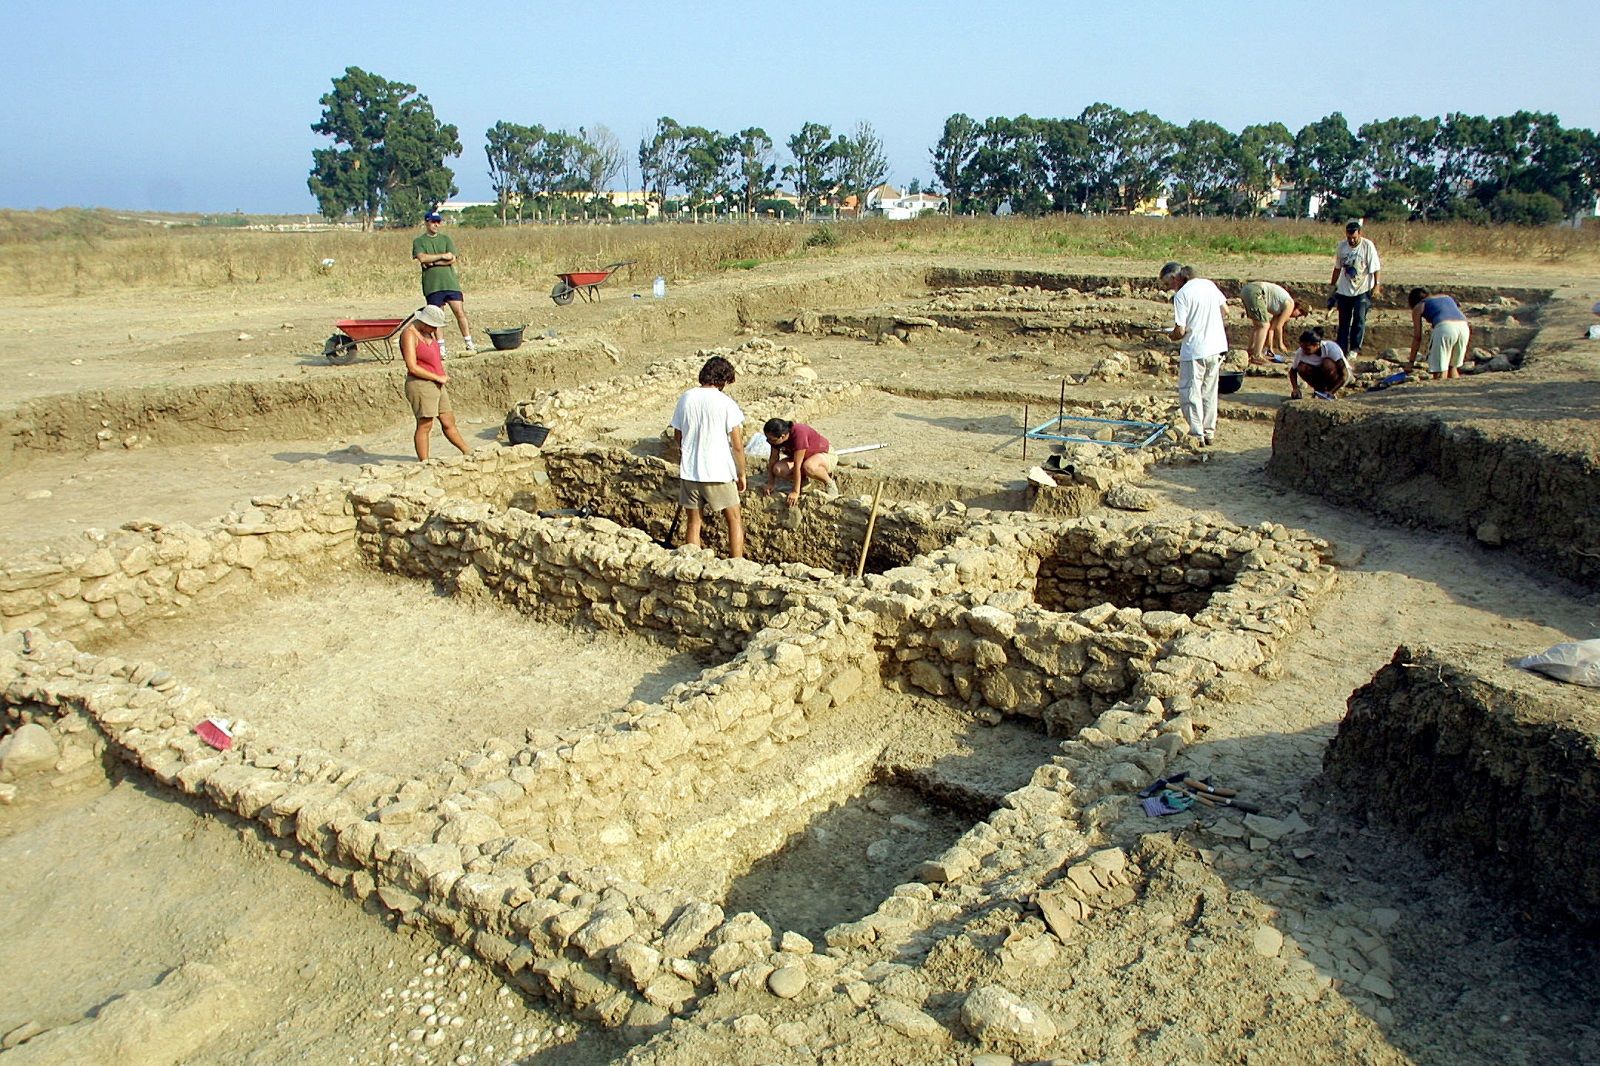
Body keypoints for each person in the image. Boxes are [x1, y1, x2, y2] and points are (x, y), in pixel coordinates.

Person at [670, 356, 748, 557]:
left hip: (690, 471)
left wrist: (685, 453)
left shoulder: (686, 398)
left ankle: (692, 565)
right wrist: (741, 473)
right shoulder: (726, 403)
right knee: (734, 519)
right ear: (723, 380)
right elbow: (737, 446)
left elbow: (677, 435)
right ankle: (737, 564)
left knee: (694, 521)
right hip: (718, 471)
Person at [1159, 262, 1229, 447]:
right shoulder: (1209, 285)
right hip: (1216, 346)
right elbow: (1225, 310)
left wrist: (1170, 335)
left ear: (1176, 278)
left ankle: (1197, 433)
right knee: (1209, 392)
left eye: (1168, 284)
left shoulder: (1182, 295)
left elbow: (1180, 331)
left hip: (1195, 349)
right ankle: (1209, 432)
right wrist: (1209, 323)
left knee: (1190, 392)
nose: (1169, 288)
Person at [401, 305, 471, 461]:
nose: (435, 330)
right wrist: (437, 377)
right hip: (421, 384)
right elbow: (412, 366)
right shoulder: (409, 334)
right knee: (425, 424)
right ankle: (424, 462)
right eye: (433, 326)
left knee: (448, 421)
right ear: (424, 322)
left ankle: (468, 451)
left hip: (436, 383)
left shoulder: (427, 333)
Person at [412, 211, 475, 353]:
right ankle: (441, 348)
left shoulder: (446, 239)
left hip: (450, 283)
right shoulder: (419, 241)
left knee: (459, 312)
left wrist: (433, 262)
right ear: (427, 222)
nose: (436, 225)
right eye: (433, 222)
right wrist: (442, 257)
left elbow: (452, 258)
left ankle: (469, 342)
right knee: (437, 317)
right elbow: (422, 258)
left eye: (438, 222)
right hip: (433, 285)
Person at [1330, 220, 1381, 359]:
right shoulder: (1342, 246)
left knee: (1359, 319)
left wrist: (1377, 285)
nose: (1351, 240)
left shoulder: (1367, 246)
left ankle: (1354, 348)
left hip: (1362, 289)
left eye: (1354, 238)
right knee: (1343, 321)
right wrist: (1332, 286)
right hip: (1345, 290)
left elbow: (1375, 268)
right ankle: (1341, 348)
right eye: (1349, 237)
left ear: (1359, 234)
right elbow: (1337, 267)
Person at [762, 419, 839, 503]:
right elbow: (773, 458)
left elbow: (797, 465)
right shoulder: (775, 440)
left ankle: (829, 483)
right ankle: (803, 482)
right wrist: (770, 483)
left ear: (783, 436)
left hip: (824, 454)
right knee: (778, 469)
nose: (769, 442)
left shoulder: (799, 434)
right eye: (768, 439)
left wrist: (795, 492)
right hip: (804, 458)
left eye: (772, 440)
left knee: (809, 467)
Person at [1239, 281, 1308, 365]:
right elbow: (1279, 327)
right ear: (1299, 309)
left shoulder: (1281, 308)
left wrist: (1270, 348)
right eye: (1299, 315)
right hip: (1256, 291)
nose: (1295, 317)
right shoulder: (1290, 304)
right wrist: (1280, 344)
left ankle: (1250, 351)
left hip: (1248, 290)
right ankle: (1256, 356)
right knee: (1264, 325)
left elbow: (1272, 329)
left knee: (1259, 326)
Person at [1407, 288, 1470, 380]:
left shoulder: (1419, 306)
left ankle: (1440, 390)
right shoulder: (1446, 297)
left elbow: (1417, 337)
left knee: (1440, 369)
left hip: (1445, 328)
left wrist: (1411, 362)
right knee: (1452, 367)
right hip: (1464, 327)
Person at [1288, 327, 1351, 400]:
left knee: (1327, 364)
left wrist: (1331, 392)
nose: (1304, 351)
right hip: (1320, 376)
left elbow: (1345, 374)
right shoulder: (1301, 352)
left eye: (1307, 349)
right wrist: (1295, 388)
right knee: (1302, 367)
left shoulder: (1331, 348)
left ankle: (1329, 391)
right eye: (1302, 348)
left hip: (1338, 378)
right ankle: (1319, 390)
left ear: (1316, 345)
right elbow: (1293, 371)